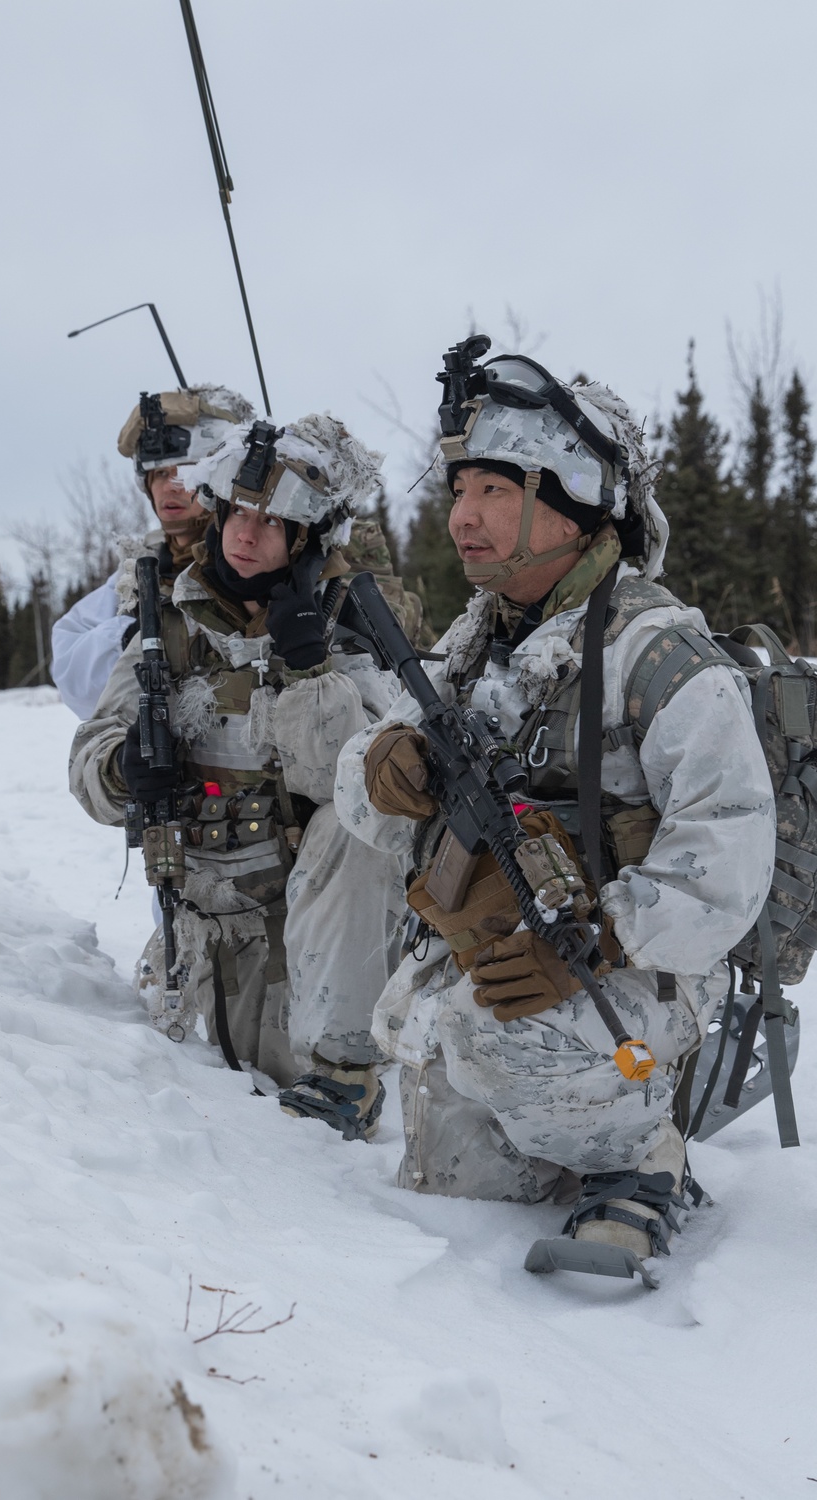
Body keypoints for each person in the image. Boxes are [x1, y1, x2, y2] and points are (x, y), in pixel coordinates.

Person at [334, 338, 776, 1276]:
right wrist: (383, 767)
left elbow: (729, 857)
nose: (463, 518)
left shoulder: (659, 656)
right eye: (460, 493)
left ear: (571, 500)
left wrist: (603, 938)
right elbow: (361, 791)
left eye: (496, 491)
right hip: (500, 958)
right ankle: (565, 1126)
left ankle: (643, 1158)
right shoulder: (472, 642)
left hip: (638, 974)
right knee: (453, 1177)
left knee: (495, 1041)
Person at [69, 413, 409, 1136]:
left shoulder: (347, 628)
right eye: (238, 515)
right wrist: (126, 768)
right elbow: (89, 762)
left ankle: (347, 1073)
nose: (247, 535)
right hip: (196, 930)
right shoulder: (172, 625)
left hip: (304, 933)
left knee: (299, 1135)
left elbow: (354, 788)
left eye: (272, 522)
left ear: (304, 539)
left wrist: (311, 671)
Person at [51, 386, 254, 719]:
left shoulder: (255, 556)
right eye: (160, 473)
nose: (170, 486)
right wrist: (131, 637)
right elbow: (71, 670)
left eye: (185, 472)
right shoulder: (141, 567)